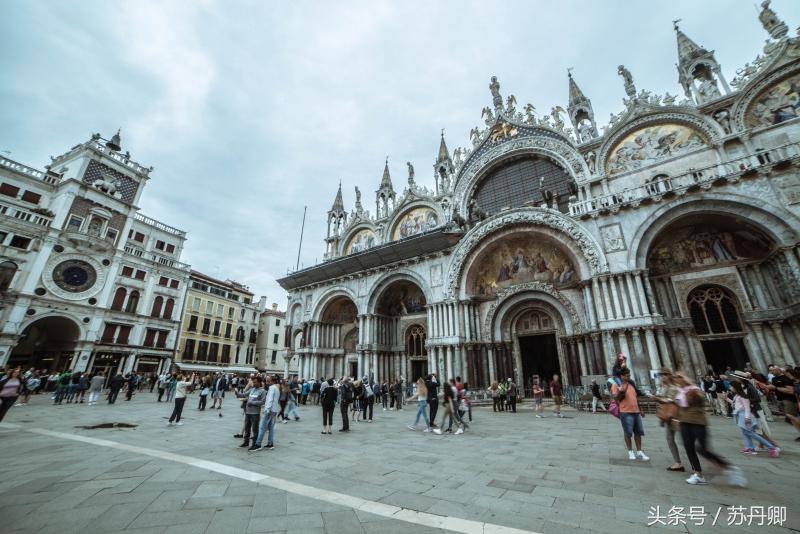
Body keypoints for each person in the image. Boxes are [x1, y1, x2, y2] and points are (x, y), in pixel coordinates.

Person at [674, 373, 745, 486]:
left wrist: (692, 395)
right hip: (684, 422)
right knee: (688, 447)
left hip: (698, 422)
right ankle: (699, 474)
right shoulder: (679, 391)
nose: (676, 381)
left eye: (678, 378)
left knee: (703, 449)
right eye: (675, 379)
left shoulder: (694, 389)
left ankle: (730, 468)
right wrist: (677, 419)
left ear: (684, 379)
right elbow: (678, 407)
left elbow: (701, 400)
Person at [729, 379, 779, 456]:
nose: (730, 388)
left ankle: (772, 448)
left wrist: (747, 418)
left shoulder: (743, 396)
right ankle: (749, 447)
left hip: (744, 415)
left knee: (751, 433)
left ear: (735, 387)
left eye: (731, 386)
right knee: (745, 433)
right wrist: (727, 399)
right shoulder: (737, 396)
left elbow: (747, 408)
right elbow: (736, 405)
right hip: (740, 415)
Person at [648, 368, 684, 472]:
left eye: (664, 375)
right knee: (669, 438)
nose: (662, 377)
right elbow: (664, 398)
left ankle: (687, 462)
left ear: (669, 375)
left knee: (684, 440)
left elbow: (670, 400)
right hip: (668, 416)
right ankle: (678, 462)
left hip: (676, 416)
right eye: (661, 375)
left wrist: (658, 399)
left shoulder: (674, 387)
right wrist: (656, 397)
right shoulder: (664, 387)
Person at [611, 368, 649, 461]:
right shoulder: (616, 385)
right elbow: (616, 399)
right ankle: (630, 451)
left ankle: (639, 451)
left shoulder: (631, 384)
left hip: (636, 411)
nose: (628, 377)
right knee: (628, 433)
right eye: (627, 376)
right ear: (621, 376)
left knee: (638, 432)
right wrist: (621, 391)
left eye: (629, 375)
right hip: (625, 412)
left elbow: (635, 397)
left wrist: (641, 409)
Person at [251, 375, 280, 450]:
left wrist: (267, 409)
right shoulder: (276, 388)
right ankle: (270, 443)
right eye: (267, 380)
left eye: (268, 380)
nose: (267, 382)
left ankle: (258, 444)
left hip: (270, 410)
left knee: (262, 427)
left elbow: (270, 399)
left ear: (272, 381)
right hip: (274, 410)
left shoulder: (271, 388)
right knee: (271, 427)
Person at [239, 376, 266, 448]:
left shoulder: (262, 391)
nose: (253, 383)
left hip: (255, 413)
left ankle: (254, 443)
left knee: (254, 429)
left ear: (259, 382)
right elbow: (244, 394)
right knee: (247, 428)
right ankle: (246, 442)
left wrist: (252, 403)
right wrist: (237, 394)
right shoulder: (252, 389)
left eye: (255, 382)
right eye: (253, 382)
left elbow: (263, 402)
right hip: (248, 412)